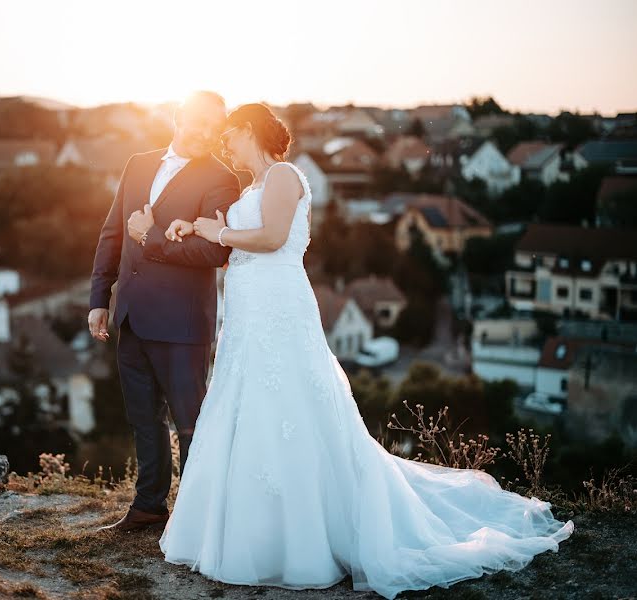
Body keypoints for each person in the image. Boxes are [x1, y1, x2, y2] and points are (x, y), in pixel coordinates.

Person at [157, 102, 574, 599]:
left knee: (288, 402)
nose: (228, 145)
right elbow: (239, 242)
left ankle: (305, 539)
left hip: (278, 306)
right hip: (246, 309)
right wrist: (198, 229)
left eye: (232, 136)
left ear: (250, 130)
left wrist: (216, 230)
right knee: (245, 404)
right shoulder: (251, 188)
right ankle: (249, 532)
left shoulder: (285, 176)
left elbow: (269, 238)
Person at [87, 91, 241, 532]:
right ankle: (149, 506)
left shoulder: (222, 178)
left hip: (182, 323)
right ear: (179, 116)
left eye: (216, 126)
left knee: (190, 423)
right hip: (131, 315)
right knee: (143, 419)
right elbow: (113, 232)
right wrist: (100, 298)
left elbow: (214, 251)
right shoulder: (138, 162)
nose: (207, 131)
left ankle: (197, 519)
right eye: (200, 121)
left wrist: (151, 236)